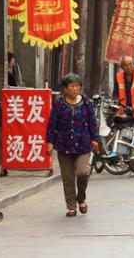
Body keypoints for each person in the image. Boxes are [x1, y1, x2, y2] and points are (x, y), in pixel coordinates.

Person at [46, 73, 100, 217]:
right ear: (65, 88)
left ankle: (81, 197)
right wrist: (49, 142)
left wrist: (95, 139)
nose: (76, 89)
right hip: (64, 144)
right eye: (72, 86)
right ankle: (71, 206)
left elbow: (93, 122)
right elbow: (52, 124)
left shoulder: (87, 103)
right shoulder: (58, 104)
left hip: (83, 144)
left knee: (82, 172)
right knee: (68, 177)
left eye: (78, 86)